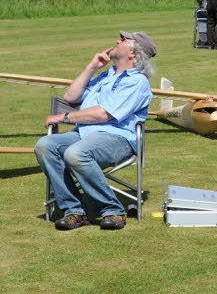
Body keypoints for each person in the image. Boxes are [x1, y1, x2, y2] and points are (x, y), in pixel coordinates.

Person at [35, 31, 156, 231]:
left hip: (117, 138)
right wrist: (91, 67)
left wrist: (63, 118)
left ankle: (113, 211)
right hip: (83, 134)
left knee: (77, 153)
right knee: (45, 145)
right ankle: (74, 211)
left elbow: (105, 114)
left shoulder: (137, 82)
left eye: (124, 40)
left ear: (133, 53)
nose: (117, 41)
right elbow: (71, 97)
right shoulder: (106, 76)